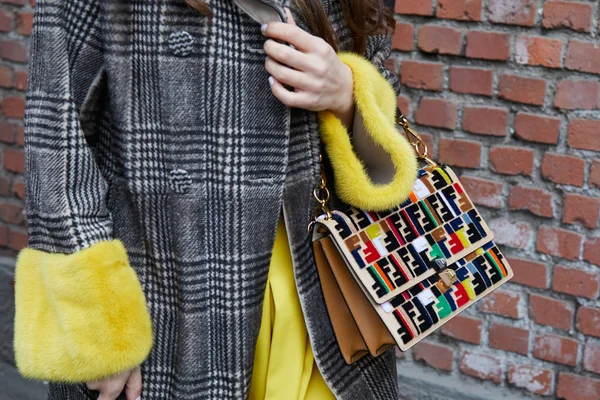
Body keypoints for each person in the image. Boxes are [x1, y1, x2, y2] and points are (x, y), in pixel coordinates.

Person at [13, 0, 413, 399]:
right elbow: (58, 140)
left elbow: (377, 75)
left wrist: (346, 92)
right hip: (165, 294)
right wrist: (96, 328)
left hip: (321, 294)